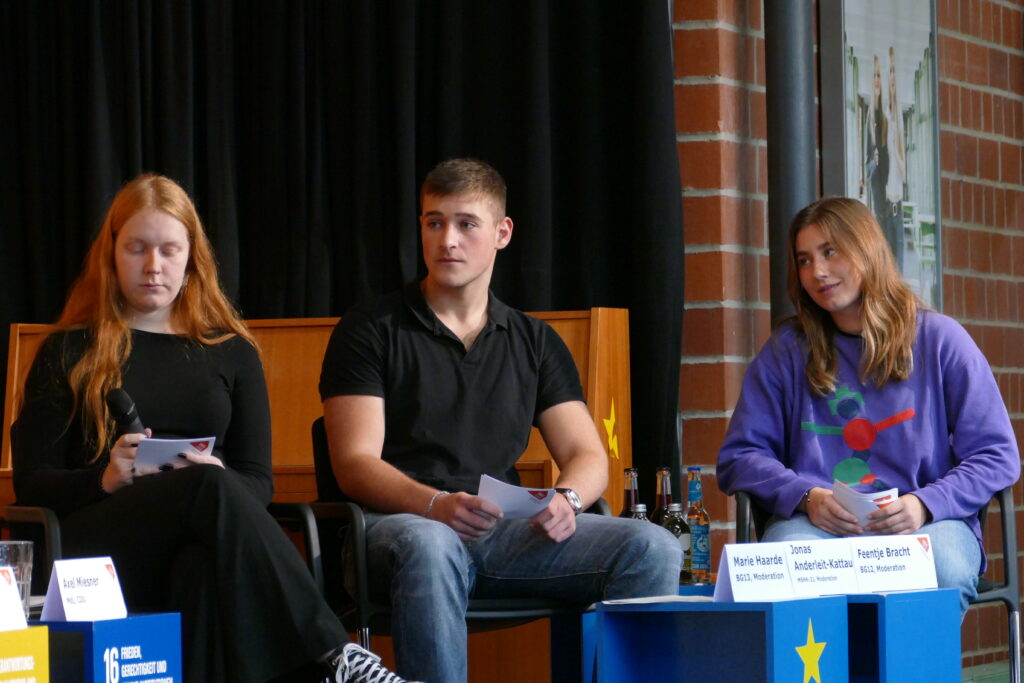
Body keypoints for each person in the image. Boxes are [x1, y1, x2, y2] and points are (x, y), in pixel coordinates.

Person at [11, 173, 411, 683]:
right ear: (111, 254)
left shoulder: (233, 352)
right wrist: (104, 478)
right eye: (137, 249)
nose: (154, 266)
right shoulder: (69, 350)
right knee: (207, 487)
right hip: (95, 547)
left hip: (202, 532)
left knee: (201, 570)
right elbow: (32, 483)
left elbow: (257, 482)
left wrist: (217, 473)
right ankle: (337, 657)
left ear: (191, 257)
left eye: (169, 250)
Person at [319, 158, 682, 682]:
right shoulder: (370, 329)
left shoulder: (535, 342)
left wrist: (569, 500)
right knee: (431, 541)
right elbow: (354, 464)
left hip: (501, 533)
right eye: (433, 222)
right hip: (398, 531)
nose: (448, 240)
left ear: (502, 232)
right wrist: (435, 505)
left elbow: (587, 454)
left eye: (466, 223)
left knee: (652, 546)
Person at [716, 197, 1020, 618]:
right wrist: (806, 496)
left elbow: (997, 454)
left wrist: (925, 504)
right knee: (785, 557)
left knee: (945, 566)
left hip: (925, 523)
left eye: (830, 252)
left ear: (867, 250)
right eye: (804, 260)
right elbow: (740, 457)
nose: (817, 272)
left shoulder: (940, 340)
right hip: (819, 525)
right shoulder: (786, 351)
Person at [884, 46, 907, 268]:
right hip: (886, 201)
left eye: (893, 74)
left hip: (896, 203)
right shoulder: (888, 115)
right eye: (889, 72)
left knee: (897, 263)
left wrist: (892, 145)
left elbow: (903, 171)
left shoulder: (897, 118)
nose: (891, 78)